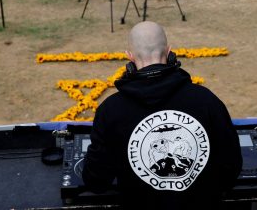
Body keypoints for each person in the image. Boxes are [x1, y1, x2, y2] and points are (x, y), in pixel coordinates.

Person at [82, 21, 242, 209]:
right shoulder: (207, 101)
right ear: (169, 51)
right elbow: (230, 171)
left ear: (129, 56)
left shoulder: (110, 110)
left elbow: (96, 182)